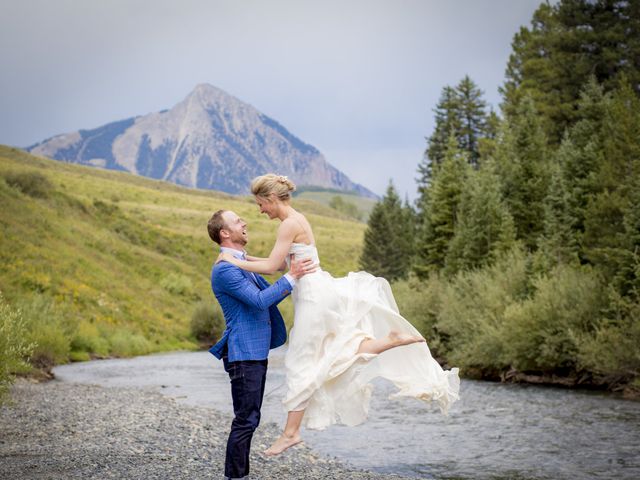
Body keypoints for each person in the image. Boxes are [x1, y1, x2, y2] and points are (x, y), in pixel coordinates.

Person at [216, 174, 460, 457]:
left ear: (271, 199)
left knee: (299, 363)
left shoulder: (288, 225)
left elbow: (272, 268)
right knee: (335, 349)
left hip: (312, 298)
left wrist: (233, 260)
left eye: (261, 204)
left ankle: (290, 433)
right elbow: (283, 264)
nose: (260, 211)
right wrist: (243, 260)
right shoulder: (297, 219)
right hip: (320, 290)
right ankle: (389, 340)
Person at [207, 209, 316, 480]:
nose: (244, 223)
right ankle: (236, 476)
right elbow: (259, 301)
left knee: (248, 419)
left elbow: (267, 294)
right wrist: (292, 276)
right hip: (243, 353)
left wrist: (292, 278)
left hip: (252, 352)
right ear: (225, 233)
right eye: (237, 221)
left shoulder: (239, 262)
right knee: (246, 420)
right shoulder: (224, 270)